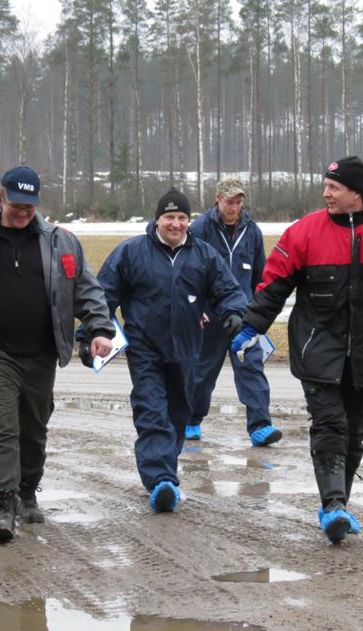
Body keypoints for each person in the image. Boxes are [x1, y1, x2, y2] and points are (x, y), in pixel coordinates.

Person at [232, 156, 363, 543]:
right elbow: (274, 286)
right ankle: (333, 505)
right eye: (325, 185)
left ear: (356, 193)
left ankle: (338, 504)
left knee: (355, 432)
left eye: (333, 187)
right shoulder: (303, 233)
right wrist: (250, 327)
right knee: (330, 425)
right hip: (316, 346)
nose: (325, 193)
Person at [0, 166, 114, 542]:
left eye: (30, 206)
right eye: (16, 205)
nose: (23, 212)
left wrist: (101, 328)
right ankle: (2, 504)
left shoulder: (62, 241)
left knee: (33, 430)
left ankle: (28, 492)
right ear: (0, 198)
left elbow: (87, 290)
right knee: (0, 428)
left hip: (43, 354)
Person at [94, 187, 248, 513]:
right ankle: (162, 479)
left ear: (188, 221)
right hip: (145, 348)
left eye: (181, 218)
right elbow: (102, 296)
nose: (175, 224)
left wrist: (234, 312)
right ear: (157, 219)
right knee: (151, 411)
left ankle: (164, 465)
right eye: (169, 217)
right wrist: (92, 333)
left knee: (178, 413)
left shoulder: (204, 255)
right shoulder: (131, 252)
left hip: (188, 349)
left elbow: (228, 289)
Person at [188, 177, 281, 446]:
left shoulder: (252, 230)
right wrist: (197, 308)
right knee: (202, 372)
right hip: (210, 317)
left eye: (239, 202)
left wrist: (258, 312)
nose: (234, 207)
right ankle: (190, 421)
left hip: (244, 316)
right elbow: (190, 273)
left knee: (251, 367)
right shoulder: (199, 229)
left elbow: (260, 276)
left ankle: (260, 426)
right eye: (230, 201)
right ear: (217, 198)